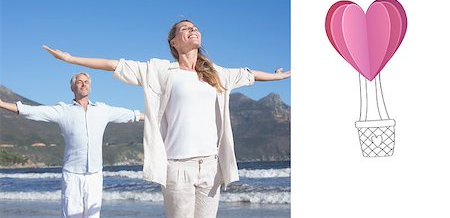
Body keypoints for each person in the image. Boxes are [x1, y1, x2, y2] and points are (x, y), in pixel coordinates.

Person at [43, 19, 290, 218]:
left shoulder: (215, 74)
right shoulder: (160, 71)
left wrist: (276, 77)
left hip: (210, 166)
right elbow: (113, 64)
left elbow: (248, 74)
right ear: (174, 42)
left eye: (195, 27)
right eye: (185, 28)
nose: (193, 29)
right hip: (177, 166)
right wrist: (70, 59)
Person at [0, 72, 144, 218]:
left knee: (93, 216)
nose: (83, 84)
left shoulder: (102, 110)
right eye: (80, 82)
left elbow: (131, 115)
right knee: (71, 215)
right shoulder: (63, 111)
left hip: (95, 174)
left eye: (86, 82)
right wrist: (2, 104)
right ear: (72, 87)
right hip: (72, 174)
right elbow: (33, 111)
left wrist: (156, 118)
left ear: (90, 86)